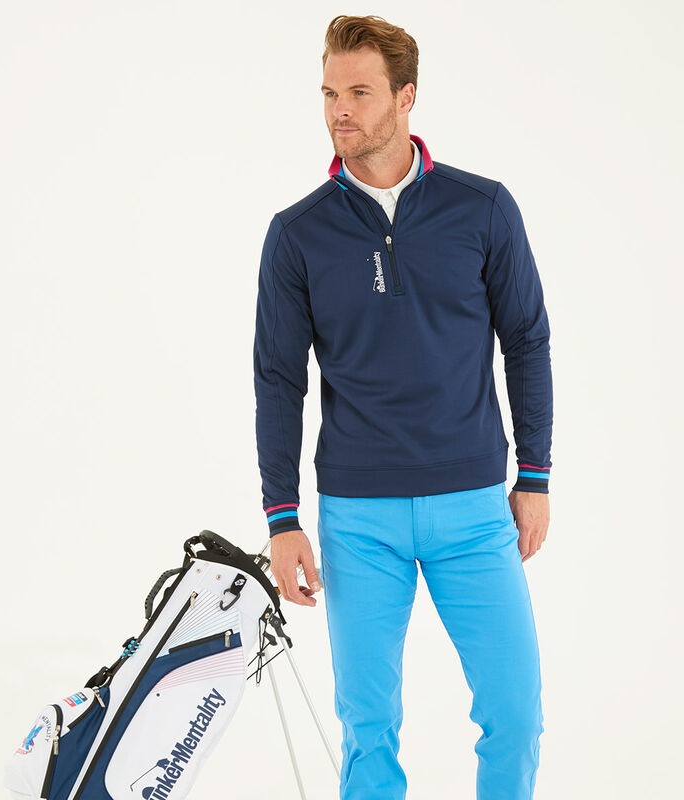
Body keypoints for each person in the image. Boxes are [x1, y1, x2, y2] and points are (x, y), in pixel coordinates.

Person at [252, 13, 552, 800]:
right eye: (329, 93)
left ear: (406, 97)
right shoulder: (297, 234)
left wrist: (536, 476)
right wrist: (282, 518)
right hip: (359, 519)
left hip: (475, 509)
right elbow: (277, 379)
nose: (339, 110)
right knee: (369, 728)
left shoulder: (482, 208)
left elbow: (526, 340)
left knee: (515, 715)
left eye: (359, 92)